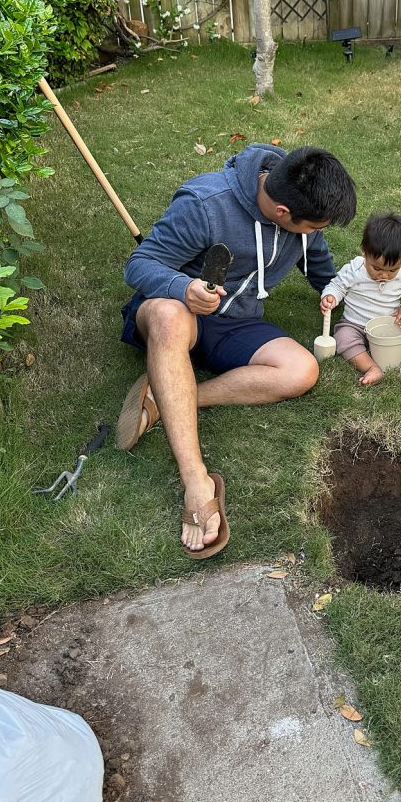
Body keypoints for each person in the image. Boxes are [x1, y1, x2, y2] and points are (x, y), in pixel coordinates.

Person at [116, 143, 357, 557]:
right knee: (171, 318)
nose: (319, 232)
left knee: (301, 371)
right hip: (175, 314)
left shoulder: (302, 212)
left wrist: (362, 308)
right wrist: (183, 288)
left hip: (235, 321)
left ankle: (163, 399)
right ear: (283, 212)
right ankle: (197, 481)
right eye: (316, 225)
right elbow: (139, 265)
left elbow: (319, 267)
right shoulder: (205, 204)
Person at [319, 212, 401, 388]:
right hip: (356, 324)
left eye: (392, 271)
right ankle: (371, 368)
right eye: (376, 268)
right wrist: (330, 297)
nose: (384, 275)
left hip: (390, 325)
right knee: (343, 337)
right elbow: (337, 286)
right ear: (364, 251)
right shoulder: (354, 269)